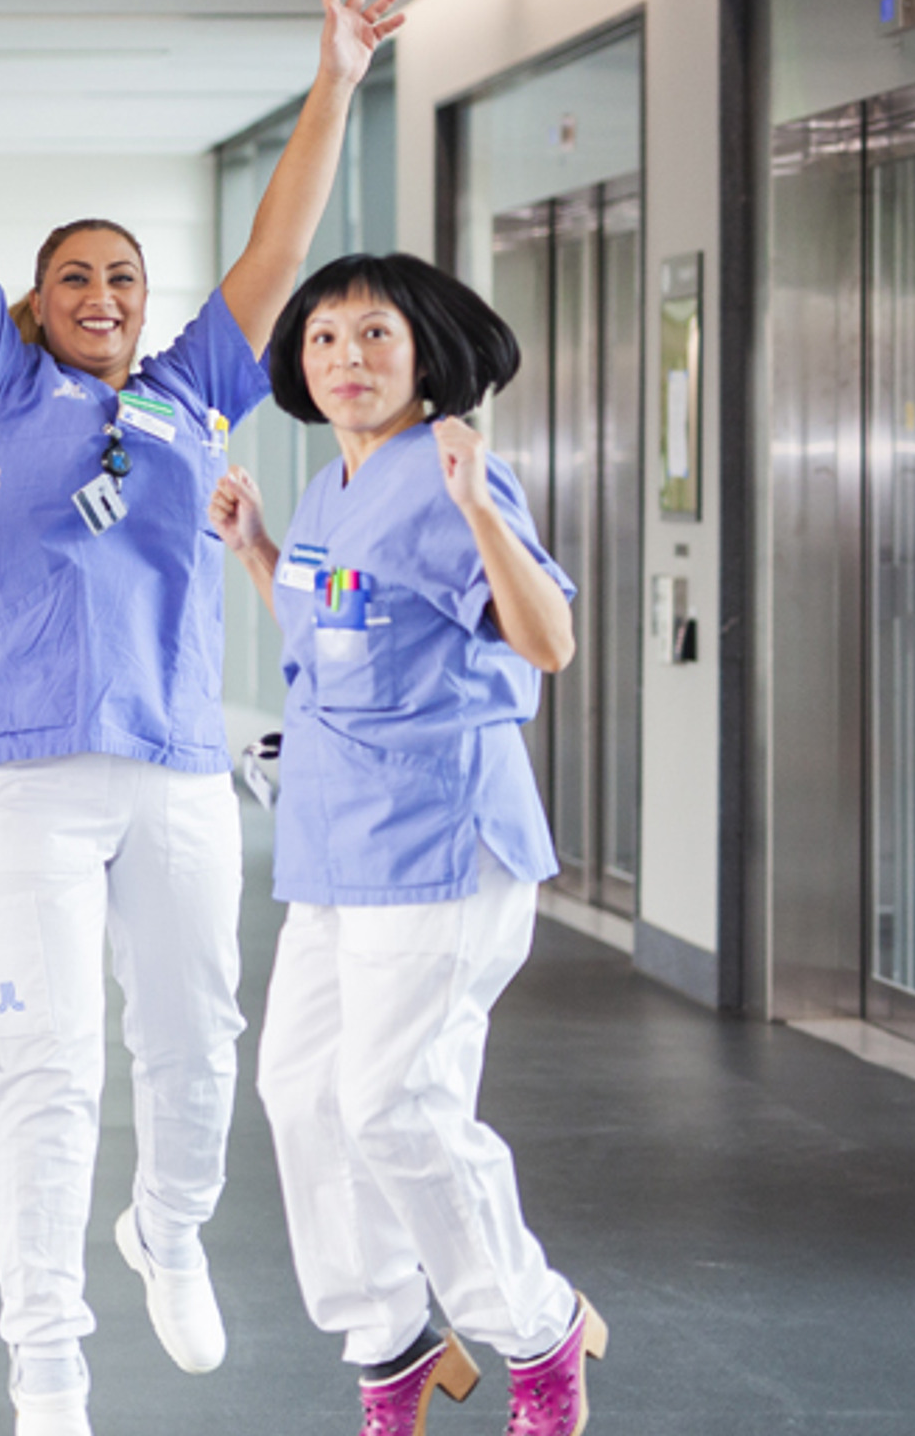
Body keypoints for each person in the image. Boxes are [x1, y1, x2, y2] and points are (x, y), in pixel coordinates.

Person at [0, 0, 401, 1436]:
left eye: (124, 277)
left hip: (171, 767)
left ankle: (166, 1224)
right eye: (74, 275)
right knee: (47, 1063)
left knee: (198, 1034)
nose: (101, 290)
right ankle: (46, 1363)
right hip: (25, 773)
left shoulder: (187, 394)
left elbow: (276, 258)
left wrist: (337, 83)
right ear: (34, 302)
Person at [212, 253, 605, 1436]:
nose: (348, 361)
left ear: (425, 351)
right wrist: (263, 554)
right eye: (326, 340)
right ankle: (390, 1340)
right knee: (300, 1094)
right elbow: (341, 627)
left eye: (376, 335)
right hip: (337, 841)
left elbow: (550, 641)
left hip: (439, 840)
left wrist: (484, 508)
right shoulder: (334, 486)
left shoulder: (449, 477)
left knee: (393, 1102)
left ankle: (538, 1327)